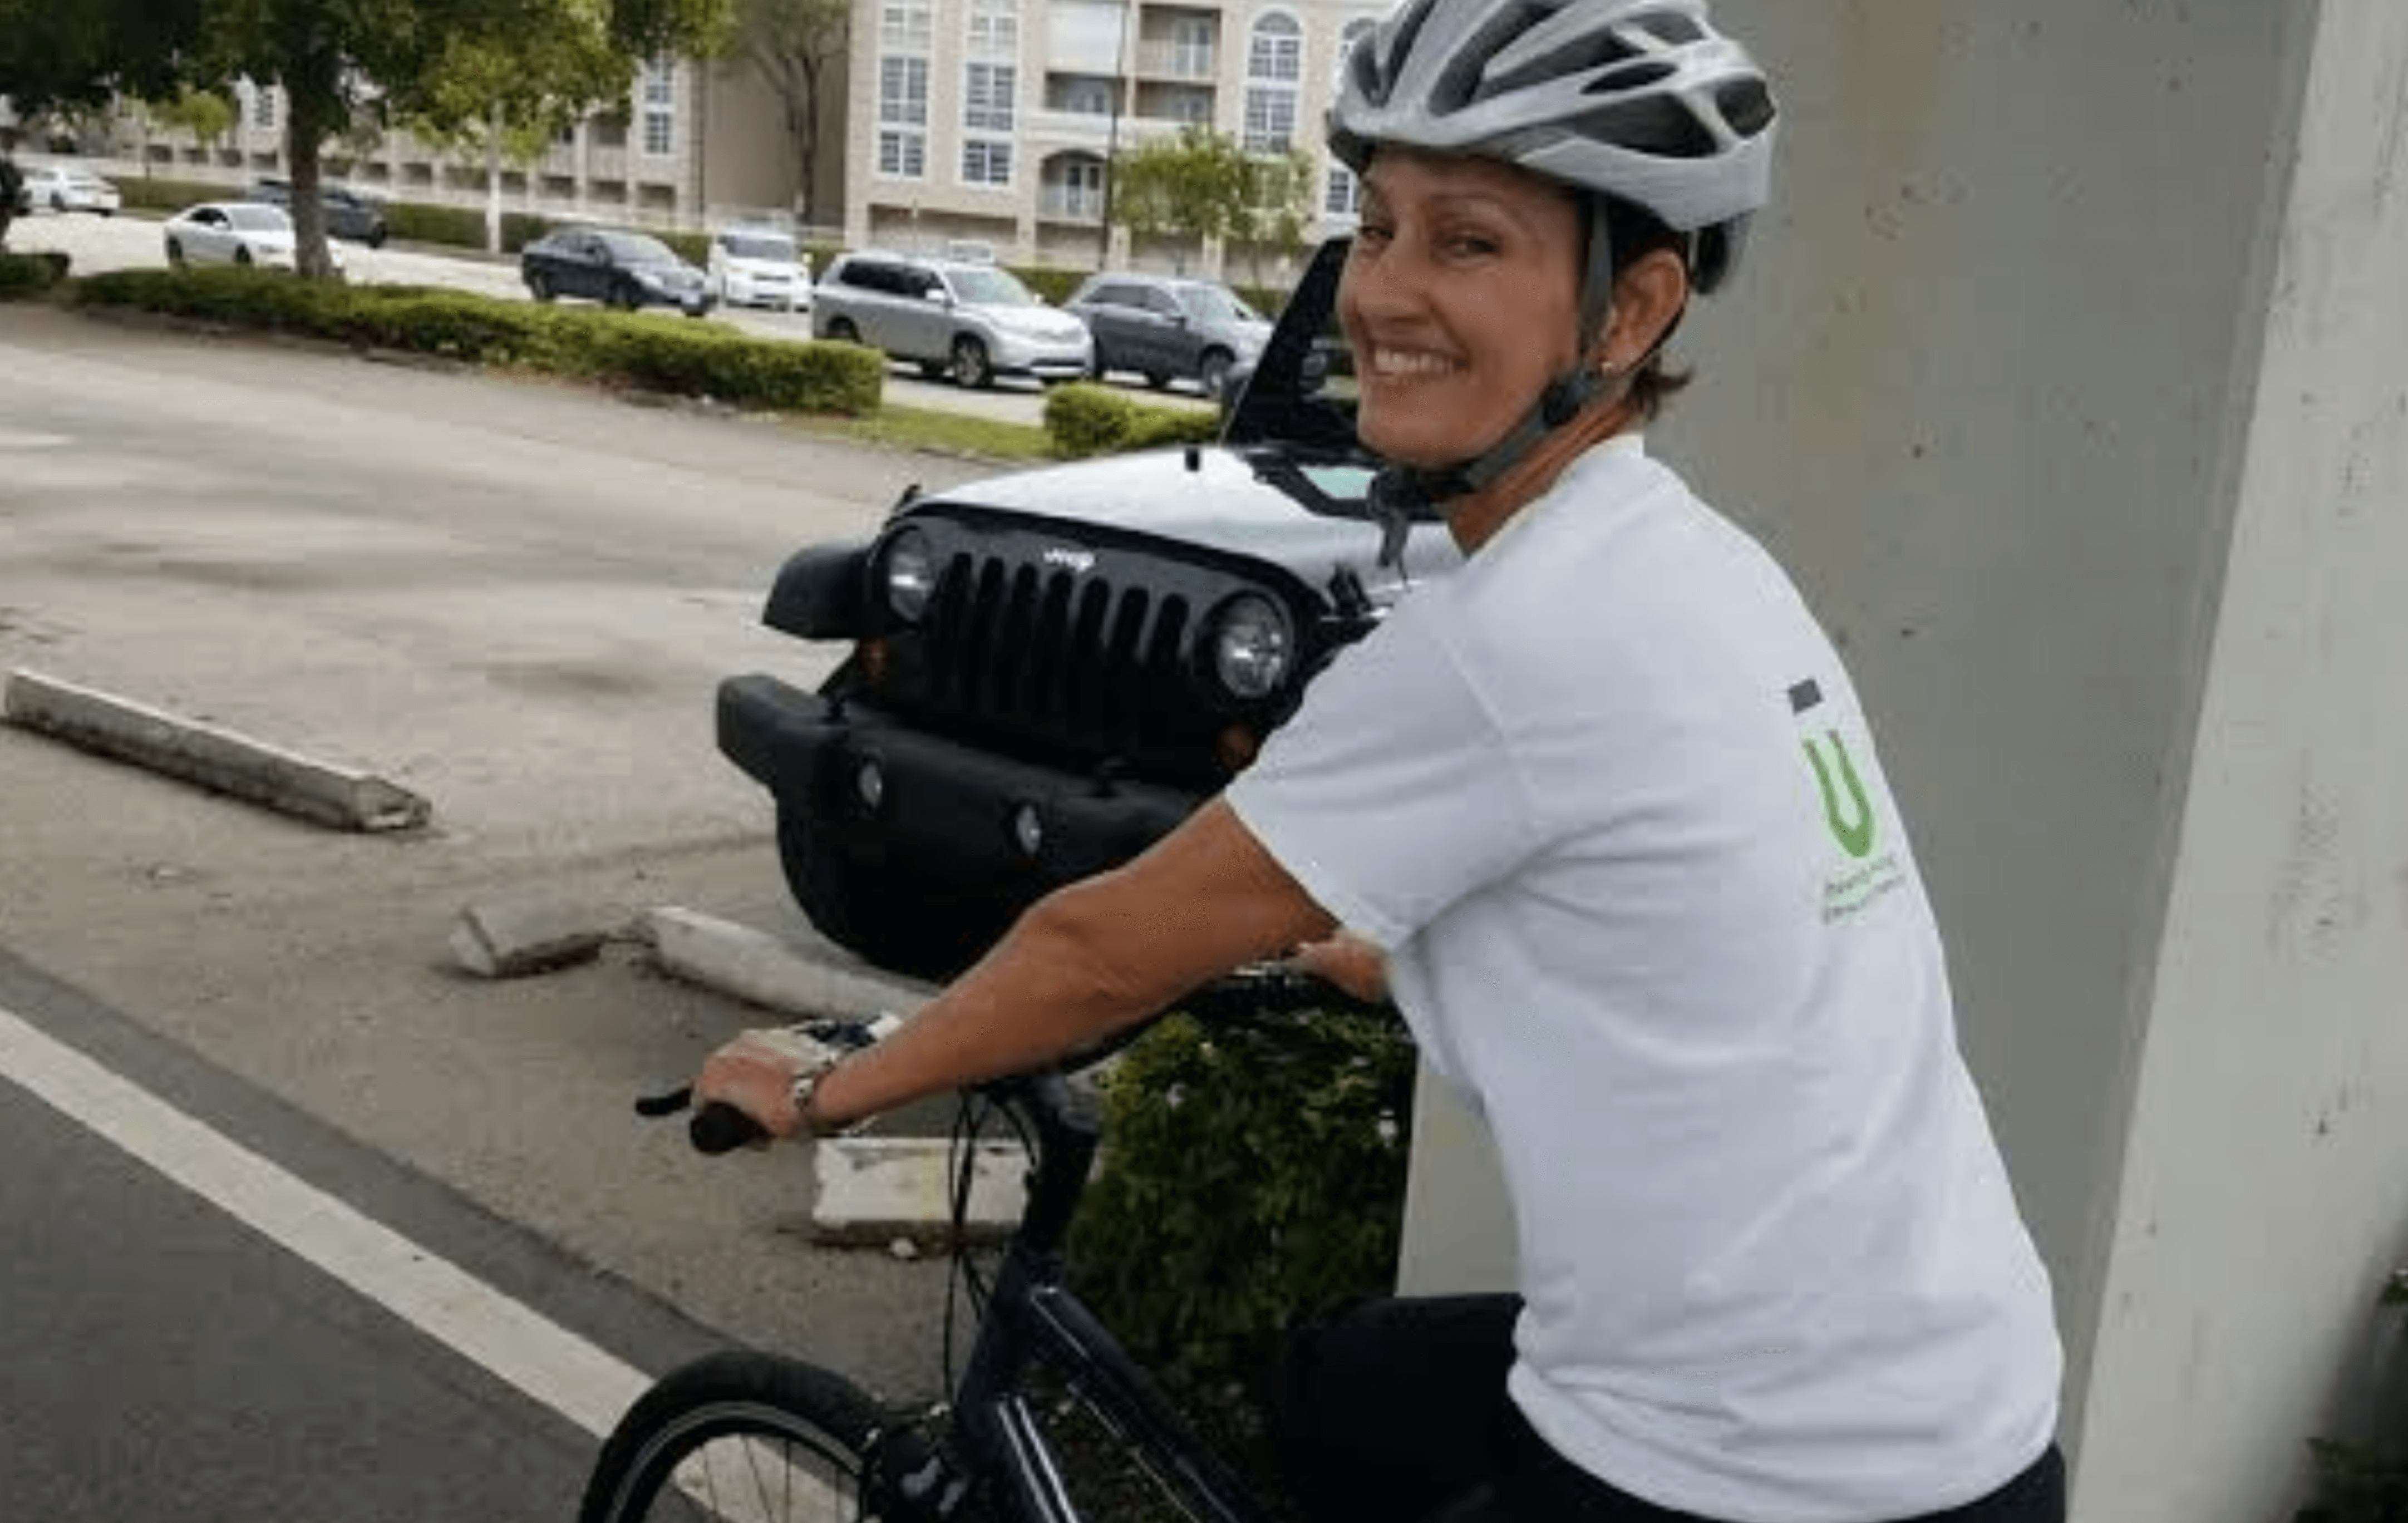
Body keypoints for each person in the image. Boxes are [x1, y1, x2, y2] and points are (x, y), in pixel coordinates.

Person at [697, 1, 2067, 1518]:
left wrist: (830, 1086)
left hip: (1769, 1468)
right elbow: (1666, 944)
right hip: (1935, 1385)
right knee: (1341, 1389)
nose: (1387, 291)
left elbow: (1095, 952)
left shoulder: (1515, 634)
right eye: (1376, 225)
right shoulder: (1694, 567)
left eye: (1467, 242)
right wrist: (1381, 962)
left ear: (1627, 311)